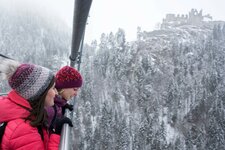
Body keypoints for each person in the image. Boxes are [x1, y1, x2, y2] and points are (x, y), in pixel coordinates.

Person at [0, 56, 73, 150]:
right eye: (53, 88)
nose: (56, 93)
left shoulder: (29, 116)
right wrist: (56, 134)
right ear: (39, 93)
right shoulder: (24, 131)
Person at [46, 66, 82, 131]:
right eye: (75, 89)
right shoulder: (48, 105)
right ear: (63, 87)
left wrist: (63, 104)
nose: (76, 94)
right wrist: (56, 128)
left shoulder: (56, 101)